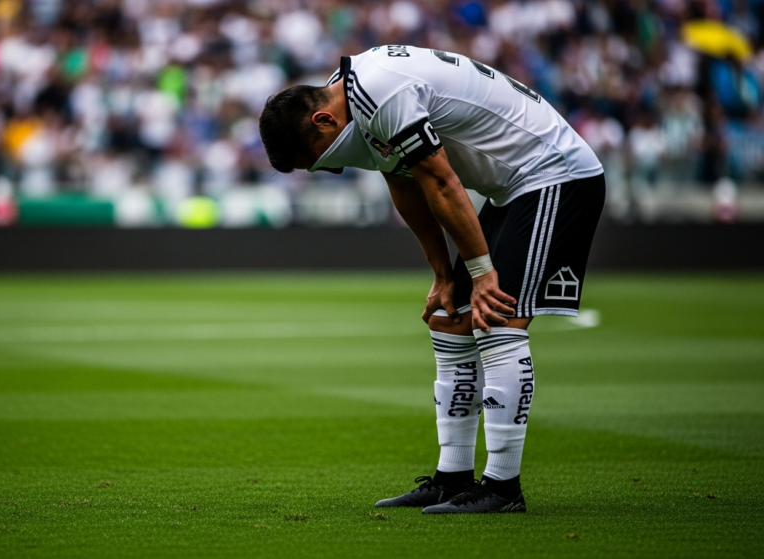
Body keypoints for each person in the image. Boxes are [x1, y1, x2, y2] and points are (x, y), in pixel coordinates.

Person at [259, 45, 605, 514]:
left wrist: (482, 275)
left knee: (499, 321)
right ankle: (452, 476)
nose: (332, 167)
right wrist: (443, 274)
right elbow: (403, 181)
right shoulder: (358, 98)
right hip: (513, 188)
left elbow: (440, 180)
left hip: (554, 174)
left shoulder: (381, 93)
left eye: (319, 160)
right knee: (451, 320)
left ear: (322, 121)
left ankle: (503, 489)